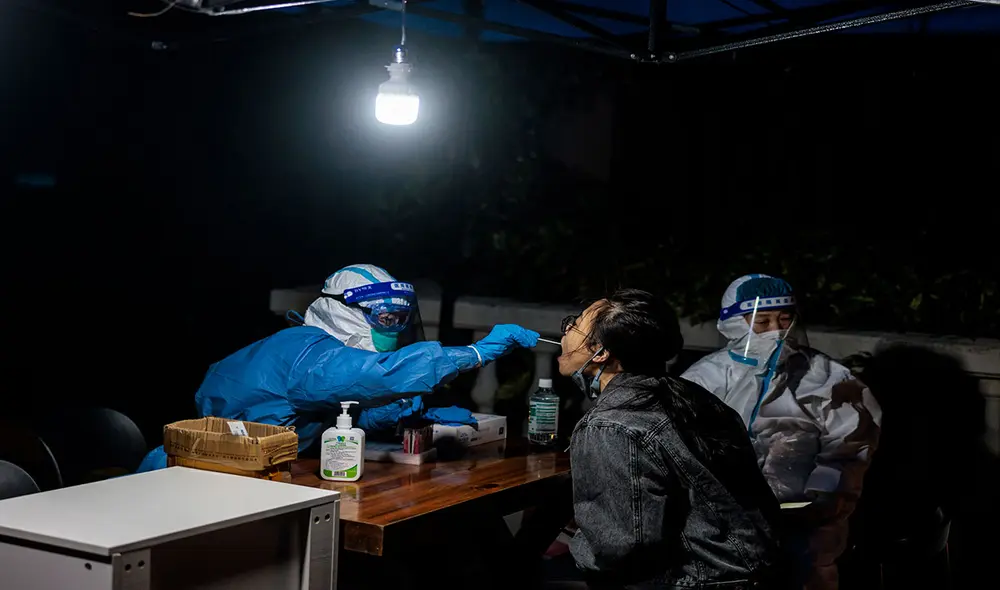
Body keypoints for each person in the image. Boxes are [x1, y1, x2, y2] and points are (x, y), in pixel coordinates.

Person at [136, 264, 538, 472]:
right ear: (342, 312)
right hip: (200, 475)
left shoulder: (320, 352)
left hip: (249, 471)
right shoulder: (307, 353)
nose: (395, 328)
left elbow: (340, 407)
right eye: (384, 318)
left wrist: (397, 410)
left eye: (400, 317)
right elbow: (376, 374)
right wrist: (479, 352)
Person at [559, 289, 786, 588]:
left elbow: (622, 548)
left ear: (600, 352)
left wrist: (577, 540)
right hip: (760, 571)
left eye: (574, 325)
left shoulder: (611, 424)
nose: (564, 331)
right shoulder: (695, 397)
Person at [681, 274, 882, 590]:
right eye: (762, 322)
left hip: (806, 529)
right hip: (722, 527)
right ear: (736, 323)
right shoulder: (703, 379)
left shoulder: (826, 377)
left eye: (784, 320)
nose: (776, 331)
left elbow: (849, 446)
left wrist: (822, 501)